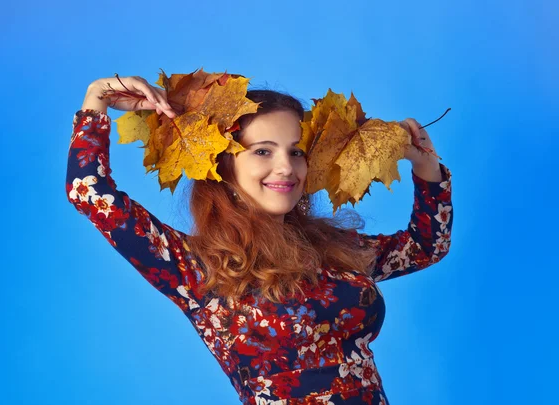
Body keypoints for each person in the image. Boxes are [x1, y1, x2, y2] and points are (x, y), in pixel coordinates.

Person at [66, 75, 453, 405]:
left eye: (296, 151)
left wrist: (426, 168)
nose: (285, 167)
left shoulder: (331, 248)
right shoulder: (193, 266)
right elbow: (89, 192)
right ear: (226, 164)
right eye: (263, 151)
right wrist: (96, 98)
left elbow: (424, 247)